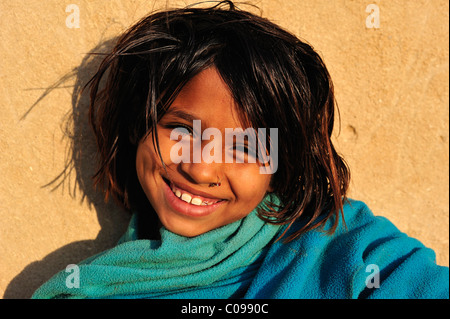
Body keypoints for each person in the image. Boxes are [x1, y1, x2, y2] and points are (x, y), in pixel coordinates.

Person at [32, 1, 448, 299]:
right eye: (181, 129)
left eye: (245, 148)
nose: (200, 168)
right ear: (139, 125)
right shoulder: (92, 288)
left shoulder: (349, 250)